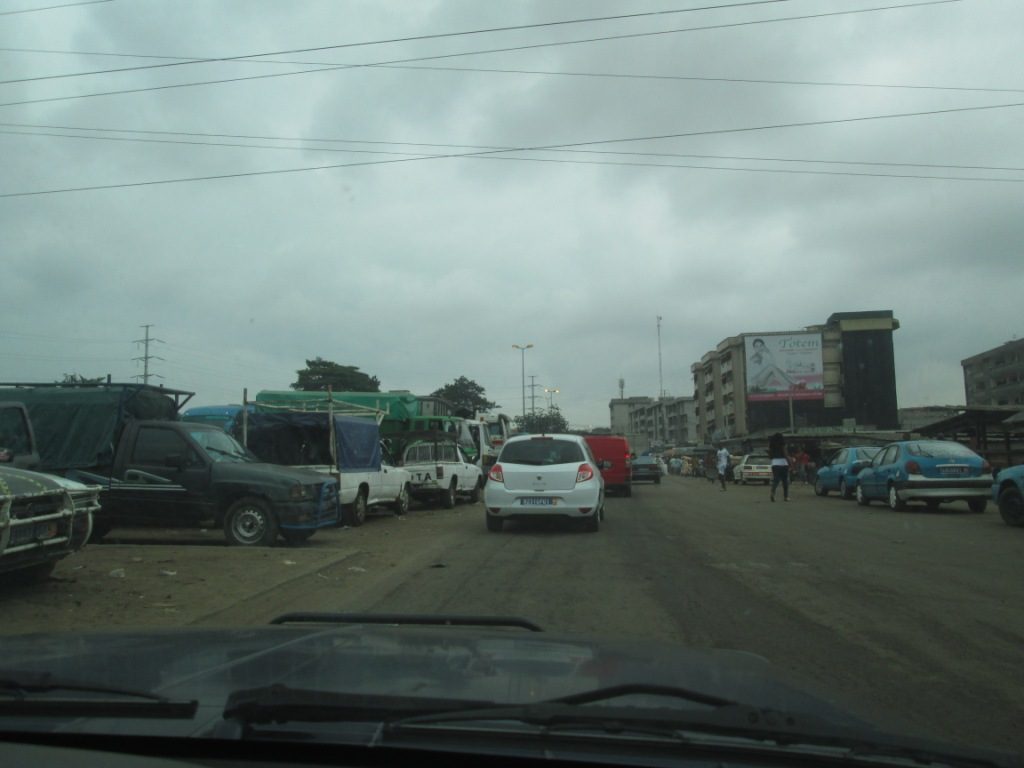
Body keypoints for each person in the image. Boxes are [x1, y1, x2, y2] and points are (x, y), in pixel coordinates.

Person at [768, 432, 790, 502]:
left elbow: (770, 455)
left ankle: (773, 492)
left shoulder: (771, 446)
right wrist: (789, 462)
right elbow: (785, 454)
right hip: (783, 463)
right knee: (785, 481)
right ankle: (786, 497)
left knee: (776, 480)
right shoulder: (782, 445)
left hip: (775, 463)